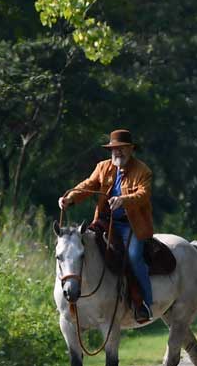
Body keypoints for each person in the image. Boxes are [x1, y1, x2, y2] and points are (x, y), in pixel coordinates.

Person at [61, 128, 155, 324]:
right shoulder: (103, 167)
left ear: (130, 149)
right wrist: (69, 198)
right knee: (82, 249)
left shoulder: (143, 171)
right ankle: (81, 298)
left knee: (134, 257)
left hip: (132, 225)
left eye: (121, 148)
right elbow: (87, 185)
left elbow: (143, 195)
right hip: (105, 222)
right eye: (114, 149)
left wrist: (124, 200)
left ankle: (144, 303)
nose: (117, 152)